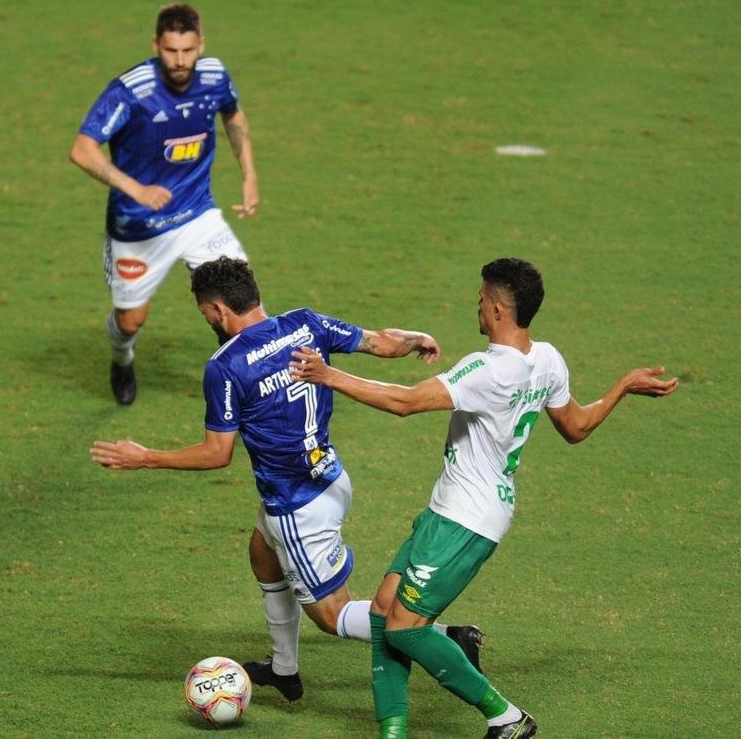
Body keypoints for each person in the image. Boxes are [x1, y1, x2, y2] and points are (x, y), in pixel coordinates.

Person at [290, 258, 679, 738]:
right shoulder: (548, 359)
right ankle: (393, 732)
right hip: (449, 509)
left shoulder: (485, 369)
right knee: (382, 612)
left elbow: (405, 403)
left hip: (465, 521)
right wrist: (622, 385)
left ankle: (506, 717)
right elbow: (576, 428)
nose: (476, 306)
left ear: (496, 309)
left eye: (480, 300)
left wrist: (331, 376)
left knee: (404, 628)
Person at [91, 257, 484, 701]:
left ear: (219, 310)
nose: (207, 320)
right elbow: (382, 343)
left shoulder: (226, 365)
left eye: (204, 313)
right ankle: (284, 670)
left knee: (332, 616)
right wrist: (417, 338)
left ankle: (449, 638)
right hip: (330, 476)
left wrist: (144, 457)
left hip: (296, 505)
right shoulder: (305, 323)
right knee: (262, 553)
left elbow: (216, 454)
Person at [70, 2, 259, 406]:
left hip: (197, 214)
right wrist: (134, 189)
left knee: (241, 302)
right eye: (171, 51)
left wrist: (248, 174)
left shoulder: (215, 76)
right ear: (156, 44)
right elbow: (83, 149)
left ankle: (245, 388)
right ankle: (122, 358)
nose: (180, 60)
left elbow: (234, 117)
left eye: (188, 50)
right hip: (139, 228)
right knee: (130, 321)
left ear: (200, 45)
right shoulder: (131, 90)